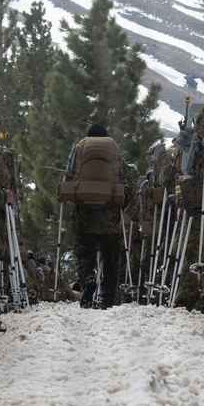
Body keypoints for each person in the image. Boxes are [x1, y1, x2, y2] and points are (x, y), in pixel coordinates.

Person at [62, 123, 132, 309]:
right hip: (110, 219)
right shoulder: (116, 152)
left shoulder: (78, 150)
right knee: (111, 260)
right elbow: (128, 187)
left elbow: (66, 181)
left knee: (85, 255)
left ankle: (88, 279)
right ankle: (108, 299)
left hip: (84, 215)